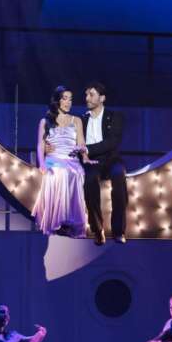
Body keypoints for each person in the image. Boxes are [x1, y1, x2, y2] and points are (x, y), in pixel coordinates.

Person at [32, 85, 89, 237]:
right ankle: (58, 221)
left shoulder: (77, 120)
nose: (68, 102)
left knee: (75, 172)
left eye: (70, 99)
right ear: (57, 100)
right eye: (65, 98)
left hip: (71, 159)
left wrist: (80, 149)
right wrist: (42, 163)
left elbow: (81, 142)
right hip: (54, 159)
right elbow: (40, 144)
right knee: (58, 172)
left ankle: (71, 221)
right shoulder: (45, 121)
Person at [81, 81, 127, 244]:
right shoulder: (81, 120)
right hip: (91, 161)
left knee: (119, 176)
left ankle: (118, 230)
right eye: (86, 94)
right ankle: (97, 229)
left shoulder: (115, 117)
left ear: (102, 98)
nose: (87, 98)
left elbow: (112, 142)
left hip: (111, 159)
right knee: (89, 181)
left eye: (91, 94)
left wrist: (88, 149)